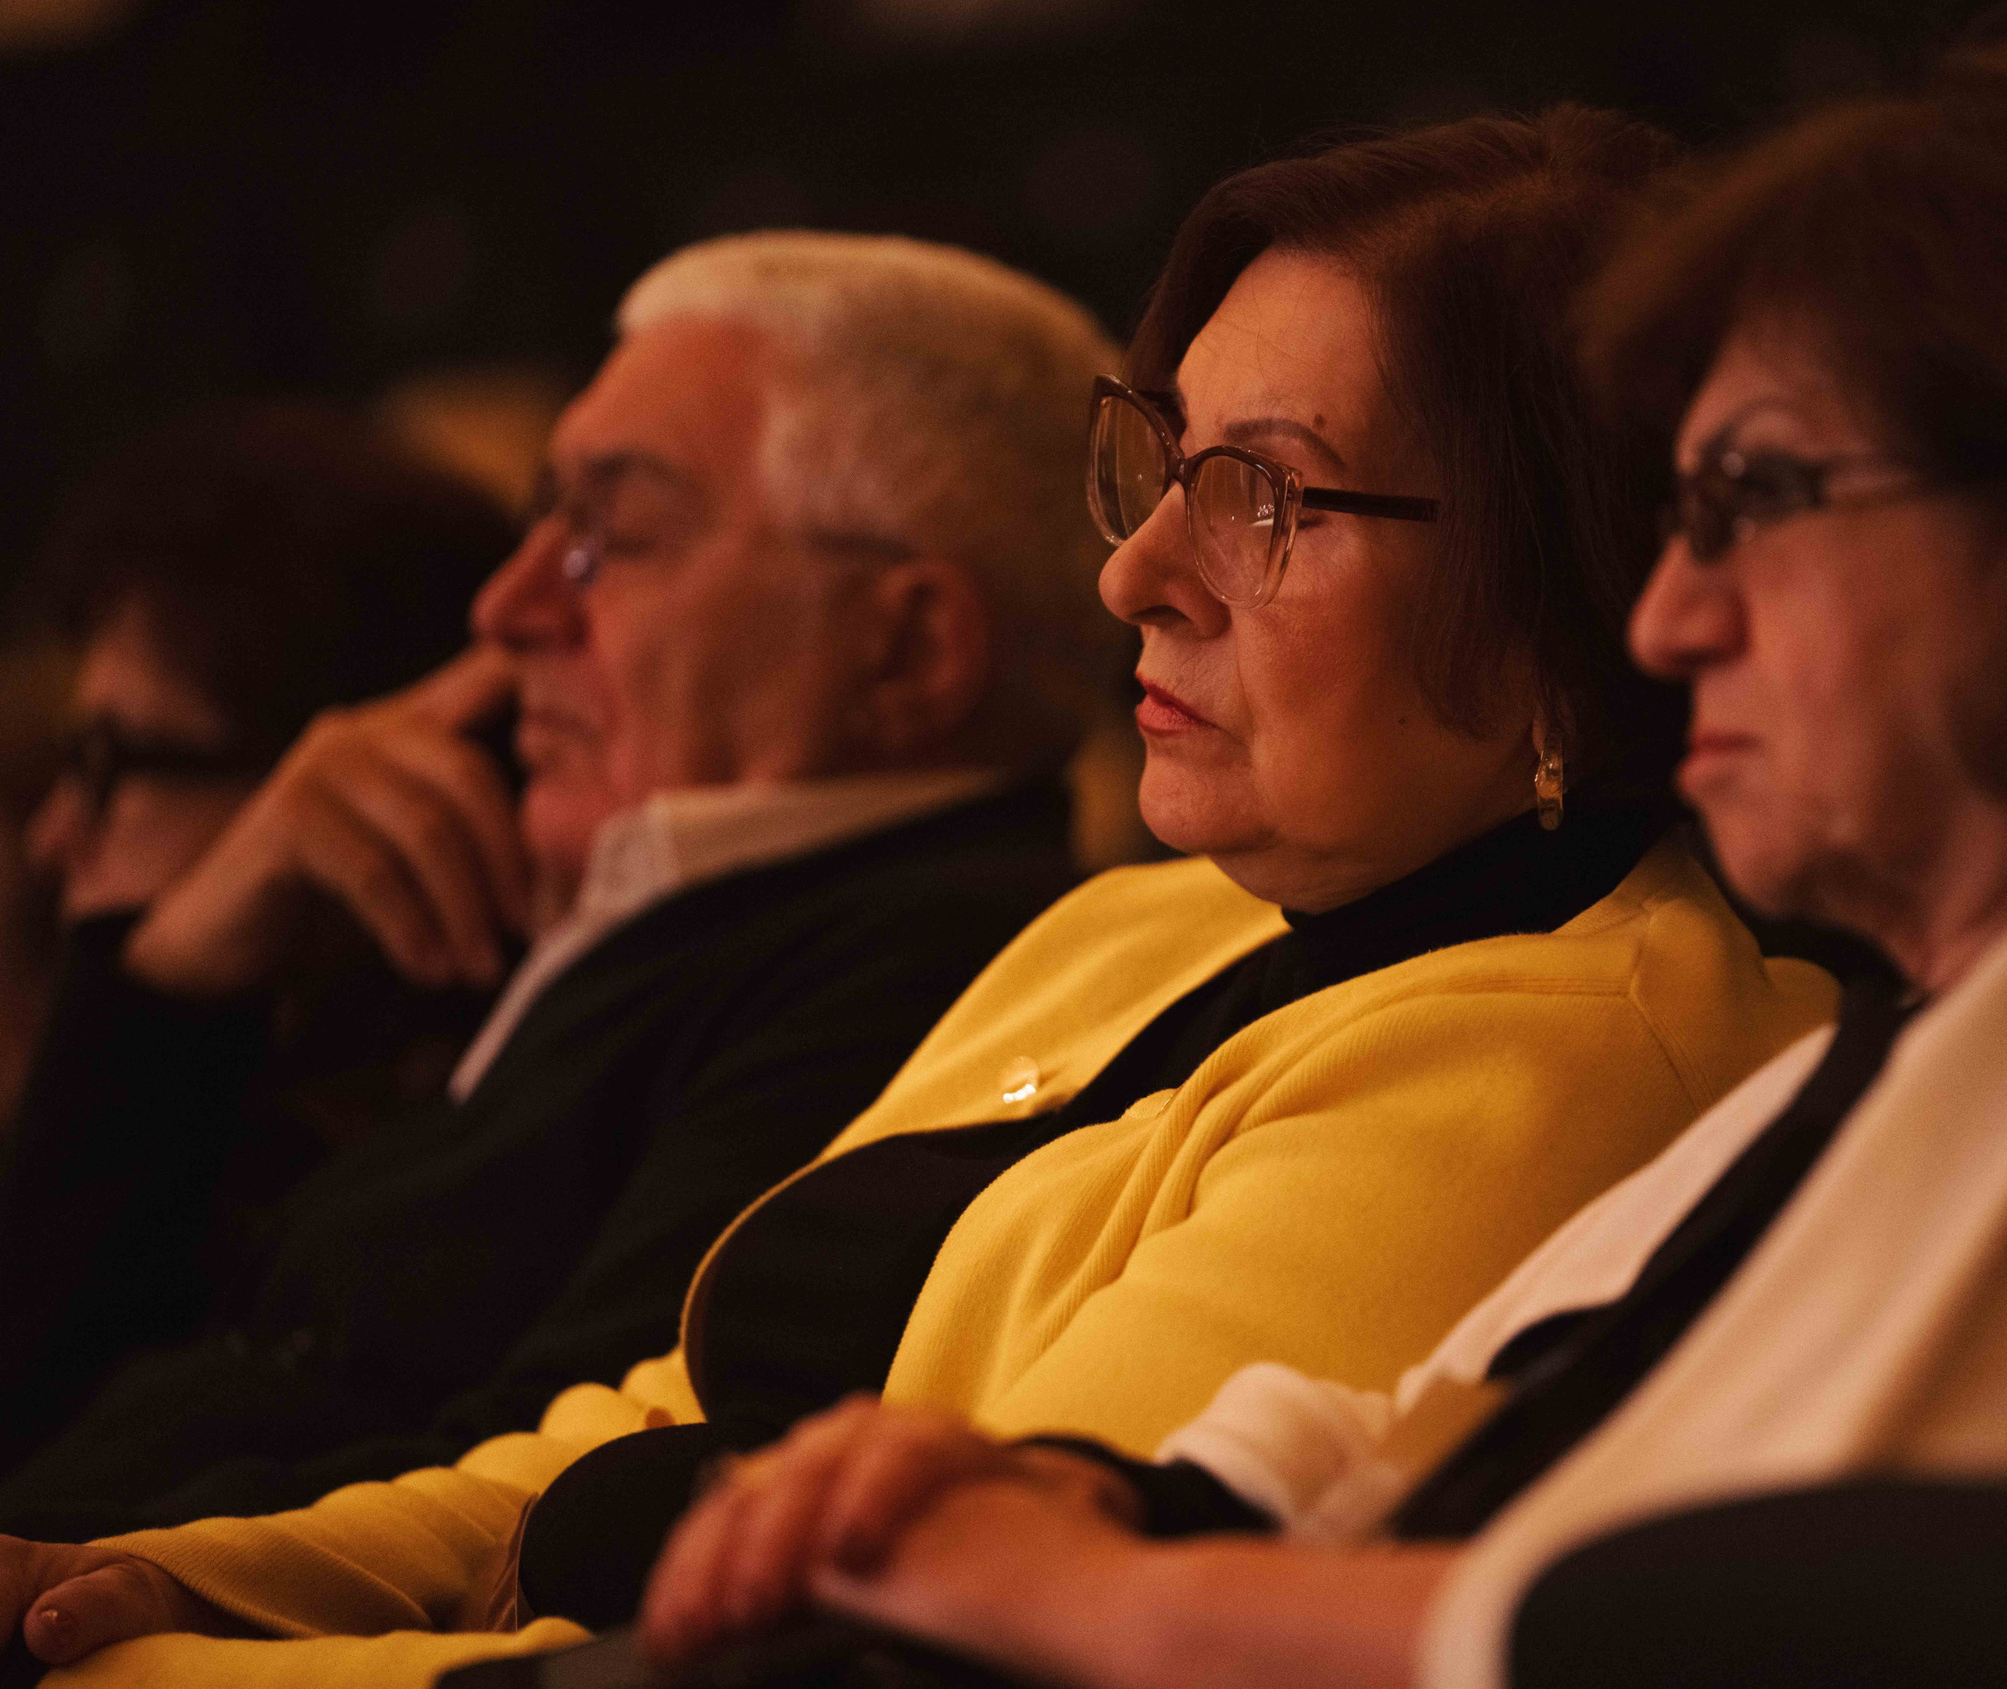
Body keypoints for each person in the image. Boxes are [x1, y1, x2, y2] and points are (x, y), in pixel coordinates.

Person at [612, 4, 2007, 1689]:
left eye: (1755, 498)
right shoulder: (1930, 1022)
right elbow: (1419, 1418)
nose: (1661, 618)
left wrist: (1105, 1587)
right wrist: (1067, 1487)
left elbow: (1815, 1631)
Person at [0, 110, 1836, 1686]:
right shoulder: (1141, 920)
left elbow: (910, 1641)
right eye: (1160, 464)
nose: (1134, 572)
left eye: (1263, 497)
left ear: (1564, 600)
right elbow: (631, 1421)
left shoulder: (1564, 1051)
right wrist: (167, 1580)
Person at [0, 231, 1119, 1551]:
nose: (508, 604)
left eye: (611, 534)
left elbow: (523, 1491)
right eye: (542, 516)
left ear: (911, 645)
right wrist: (177, 978)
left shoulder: (932, 967)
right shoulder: (530, 912)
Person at [0, 402, 515, 1464]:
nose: (53, 838)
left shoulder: (422, 1154)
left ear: (352, 765)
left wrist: (151, 1007)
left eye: (111, 762)